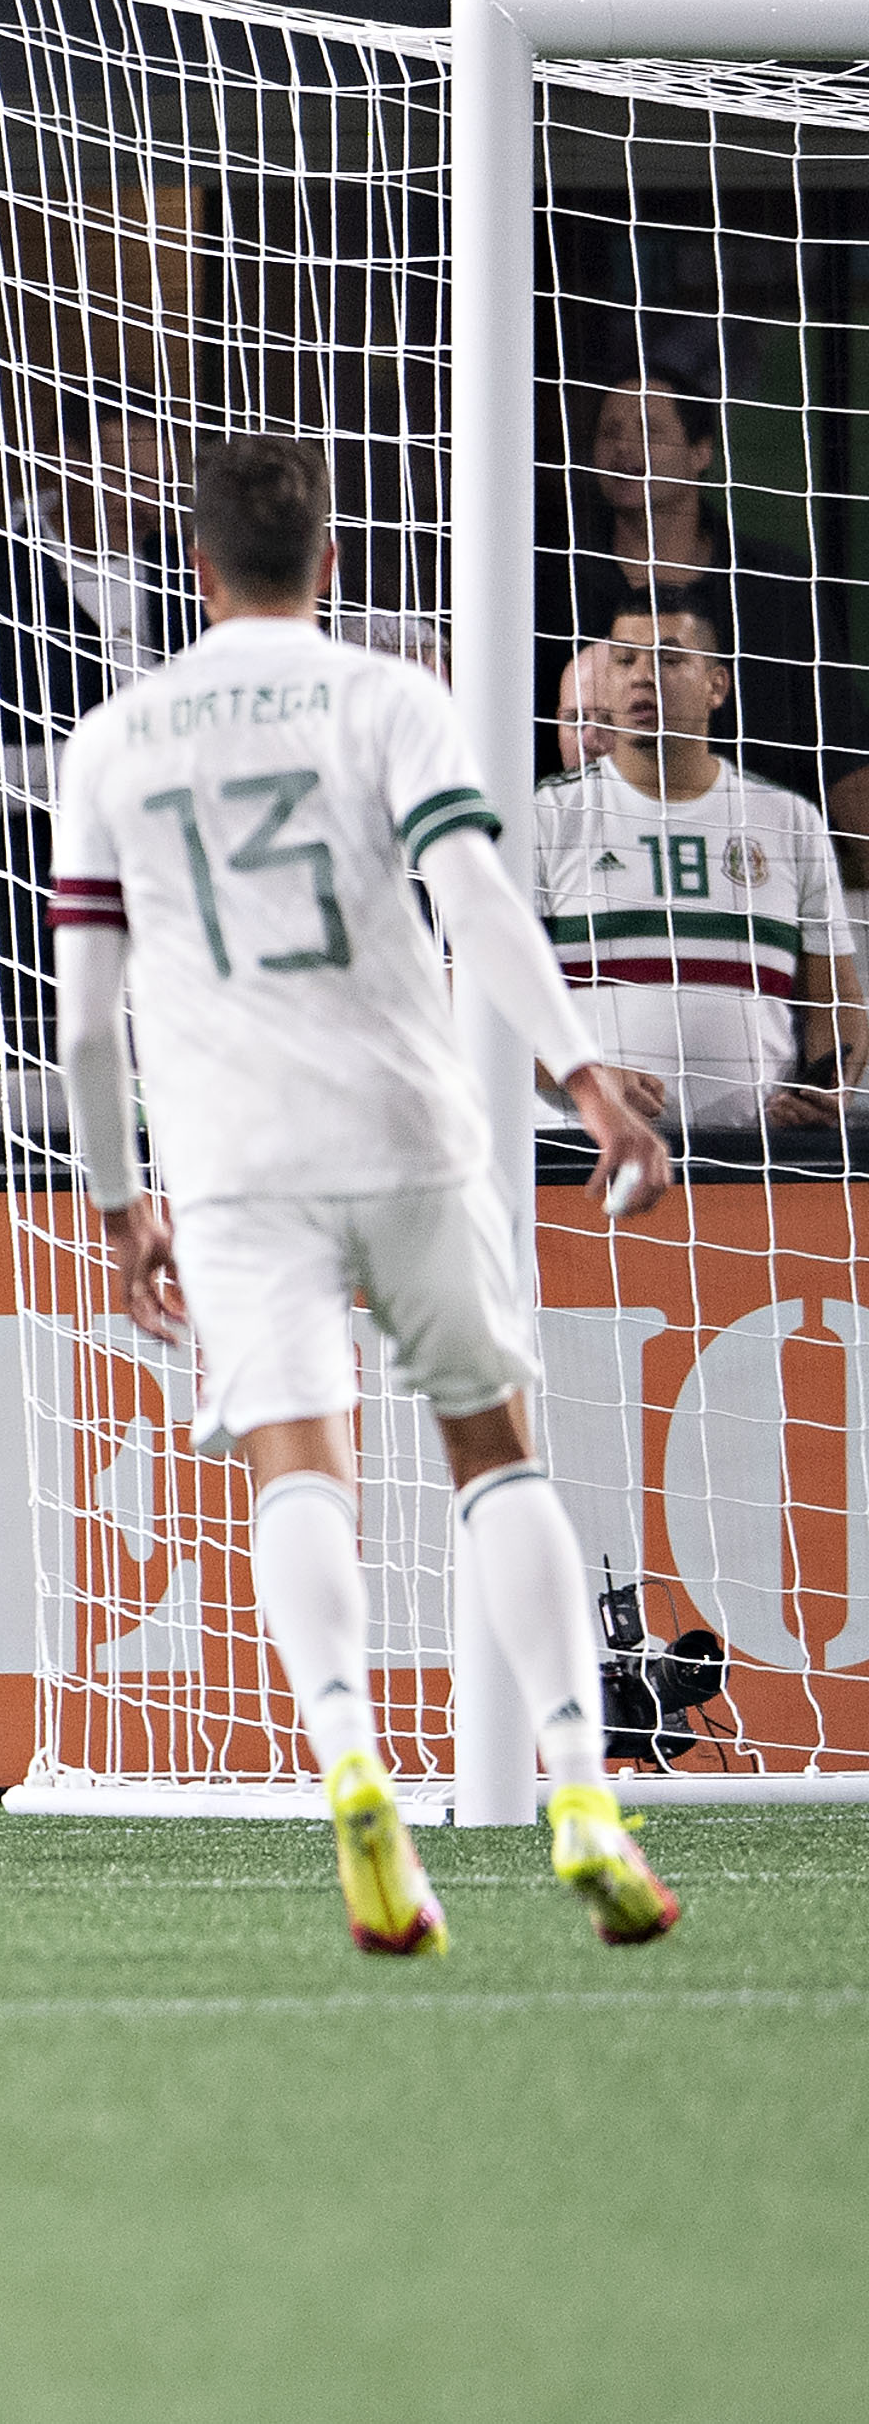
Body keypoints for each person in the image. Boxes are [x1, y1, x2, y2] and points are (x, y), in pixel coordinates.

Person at [51, 432, 684, 1959]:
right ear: (330, 564)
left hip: (236, 1154)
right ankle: (582, 1785)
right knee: (492, 1451)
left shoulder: (117, 738)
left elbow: (81, 1015)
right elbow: (478, 900)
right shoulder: (390, 696)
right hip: (409, 1123)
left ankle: (347, 1755)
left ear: (193, 572)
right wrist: (587, 1076)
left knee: (299, 1471)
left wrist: (115, 1196)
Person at [0, 398, 195, 1064]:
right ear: (61, 463)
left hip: (179, 945)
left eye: (152, 480)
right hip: (28, 951)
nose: (137, 498)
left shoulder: (197, 577)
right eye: (118, 473)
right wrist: (96, 763)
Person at [537, 599, 860, 1133]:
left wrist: (828, 1089)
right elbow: (473, 1000)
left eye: (666, 659)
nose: (642, 677)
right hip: (579, 1156)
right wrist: (581, 1076)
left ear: (716, 687)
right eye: (624, 661)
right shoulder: (545, 816)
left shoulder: (789, 819)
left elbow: (837, 996)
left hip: (752, 1159)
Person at [537, 362, 860, 877]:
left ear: (700, 452)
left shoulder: (777, 584)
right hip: (595, 868)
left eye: (648, 430)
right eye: (609, 433)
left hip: (755, 867)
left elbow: (842, 751)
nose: (624, 448)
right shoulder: (549, 582)